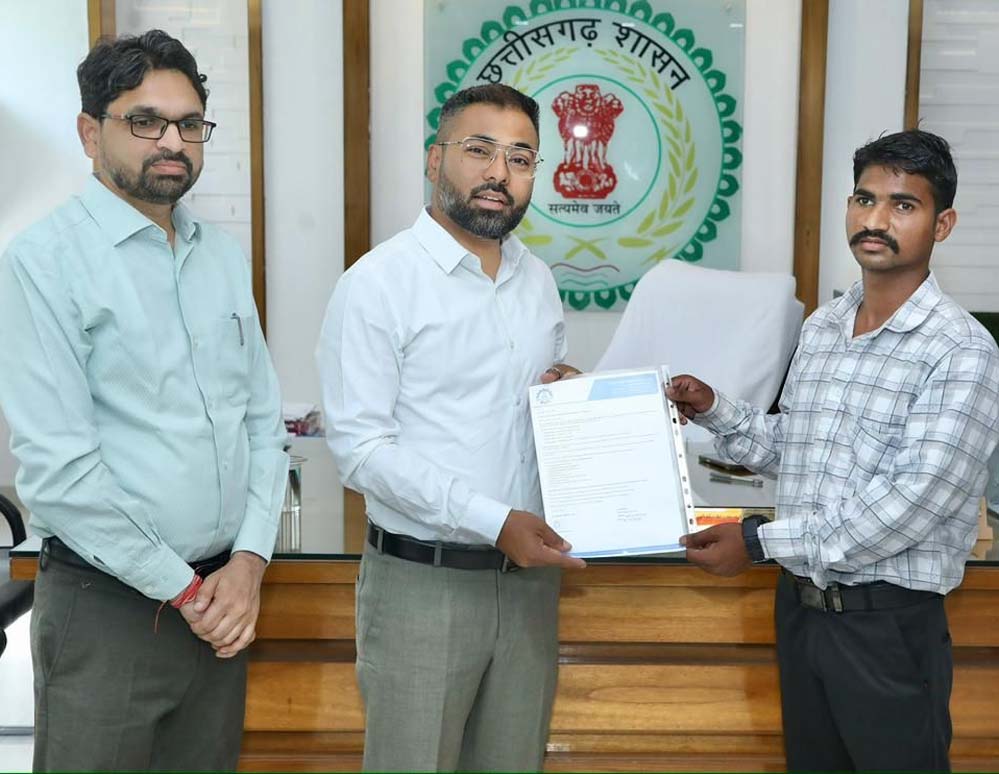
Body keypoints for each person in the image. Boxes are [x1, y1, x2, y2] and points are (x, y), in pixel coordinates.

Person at [0, 30, 288, 771]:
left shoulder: (220, 257)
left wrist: (249, 560)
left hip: (223, 600)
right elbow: (62, 475)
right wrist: (187, 593)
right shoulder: (42, 263)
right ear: (89, 132)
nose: (172, 142)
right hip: (109, 609)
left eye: (189, 124)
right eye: (145, 121)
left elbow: (262, 424)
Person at [668, 129, 999, 772]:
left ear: (943, 224)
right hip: (800, 613)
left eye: (903, 205)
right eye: (864, 199)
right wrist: (714, 409)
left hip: (887, 629)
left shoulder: (961, 350)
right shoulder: (823, 326)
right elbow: (797, 448)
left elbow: (909, 505)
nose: (876, 220)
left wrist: (758, 542)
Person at [316, 83, 585, 772]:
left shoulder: (537, 281)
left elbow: (524, 412)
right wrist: (493, 520)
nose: (499, 173)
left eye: (520, 158)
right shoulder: (378, 283)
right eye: (479, 150)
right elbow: (360, 451)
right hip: (422, 585)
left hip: (527, 587)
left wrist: (567, 400)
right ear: (434, 159)